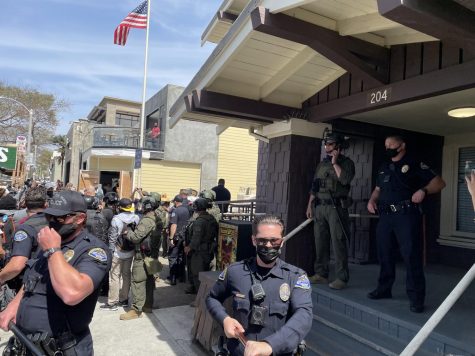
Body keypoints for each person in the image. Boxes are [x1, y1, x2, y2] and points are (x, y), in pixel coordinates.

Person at [0, 191, 111, 355]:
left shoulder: (93, 251)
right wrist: (14, 305)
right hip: (27, 342)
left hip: (60, 348)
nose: (51, 222)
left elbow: (72, 293)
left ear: (79, 219)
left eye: (59, 218)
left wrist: (53, 250)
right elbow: (33, 279)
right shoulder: (50, 242)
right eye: (49, 217)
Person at [206, 215, 313, 356]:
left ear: (281, 242)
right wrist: (225, 319)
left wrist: (270, 345)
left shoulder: (295, 277)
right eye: (262, 240)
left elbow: (304, 315)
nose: (268, 245)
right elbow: (212, 298)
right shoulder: (235, 271)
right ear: (253, 240)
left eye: (274, 240)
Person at [367, 135, 446, 313]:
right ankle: (384, 289)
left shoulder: (415, 163)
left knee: (411, 256)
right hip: (386, 216)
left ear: (402, 145)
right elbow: (378, 189)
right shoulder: (384, 167)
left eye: (391, 144)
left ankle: (416, 298)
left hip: (406, 215)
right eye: (386, 144)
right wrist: (372, 201)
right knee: (384, 253)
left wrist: (424, 190)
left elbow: (440, 182)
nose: (388, 147)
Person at [306, 132, 355, 290]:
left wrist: (335, 162)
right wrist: (309, 205)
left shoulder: (347, 163)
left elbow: (345, 180)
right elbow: (315, 186)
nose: (327, 147)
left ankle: (342, 277)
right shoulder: (322, 164)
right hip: (320, 207)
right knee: (320, 240)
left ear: (338, 146)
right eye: (326, 144)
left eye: (331, 144)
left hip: (336, 208)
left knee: (338, 242)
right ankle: (321, 274)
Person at [0, 186, 48, 297]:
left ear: (25, 204)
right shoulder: (55, 224)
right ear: (46, 204)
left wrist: (1, 278)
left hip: (28, 287)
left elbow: (17, 265)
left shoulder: (25, 229)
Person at [120, 197, 162, 320]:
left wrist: (128, 232)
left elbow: (136, 238)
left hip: (142, 257)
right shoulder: (158, 218)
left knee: (138, 282)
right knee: (149, 281)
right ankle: (147, 306)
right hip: (152, 256)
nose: (140, 207)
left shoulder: (147, 221)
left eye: (142, 205)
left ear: (147, 206)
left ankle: (136, 310)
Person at [101, 198, 139, 311]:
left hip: (118, 252)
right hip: (130, 251)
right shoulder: (136, 218)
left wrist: (110, 252)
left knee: (114, 277)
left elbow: (112, 238)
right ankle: (124, 299)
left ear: (119, 207)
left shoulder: (116, 219)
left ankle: (112, 302)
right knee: (126, 275)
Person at [184, 198, 219, 296]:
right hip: (209, 250)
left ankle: (200, 299)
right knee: (207, 273)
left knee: (197, 274)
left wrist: (189, 247)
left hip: (199, 251)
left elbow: (196, 238)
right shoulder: (211, 218)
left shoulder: (200, 221)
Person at [167, 195, 190, 285]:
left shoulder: (175, 211)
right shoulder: (186, 210)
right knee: (181, 256)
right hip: (184, 237)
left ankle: (173, 278)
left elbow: (174, 225)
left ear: (176, 202)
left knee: (172, 256)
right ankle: (182, 277)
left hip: (176, 237)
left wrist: (171, 238)